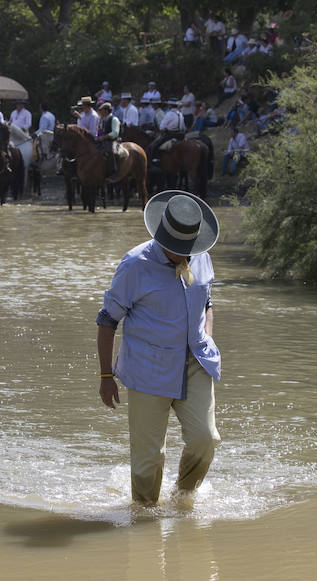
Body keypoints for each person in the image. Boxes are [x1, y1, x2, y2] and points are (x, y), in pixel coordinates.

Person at [96, 190, 222, 506]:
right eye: (176, 248)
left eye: (187, 248)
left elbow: (207, 302)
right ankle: (144, 515)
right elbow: (107, 320)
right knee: (147, 459)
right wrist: (105, 376)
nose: (184, 255)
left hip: (194, 364)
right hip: (147, 369)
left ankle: (183, 496)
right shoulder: (135, 265)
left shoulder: (202, 255)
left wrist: (207, 337)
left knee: (205, 439)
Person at [96, 102, 121, 177]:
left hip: (113, 140)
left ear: (106, 111)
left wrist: (104, 137)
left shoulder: (114, 119)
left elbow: (115, 133)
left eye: (101, 110)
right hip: (104, 140)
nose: (100, 112)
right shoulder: (103, 120)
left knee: (110, 151)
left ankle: (113, 172)